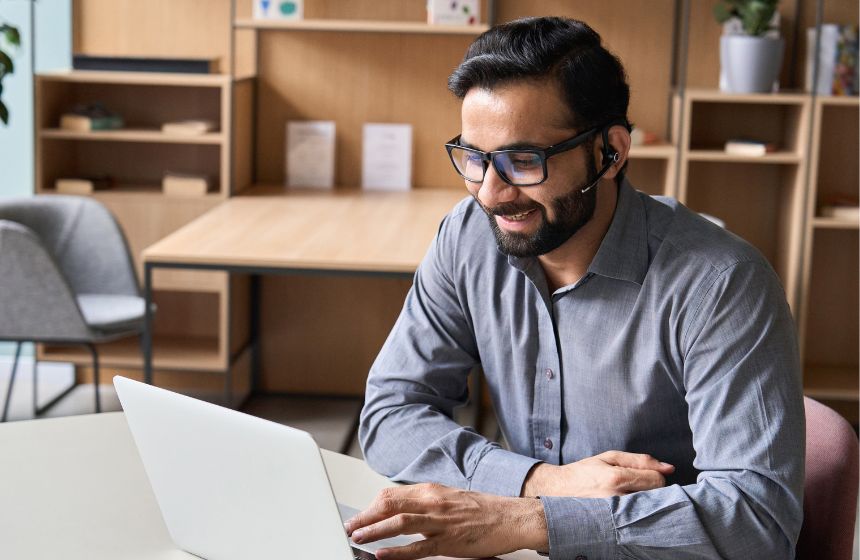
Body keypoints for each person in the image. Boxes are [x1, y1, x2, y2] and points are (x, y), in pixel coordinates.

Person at [346, 16, 804, 560]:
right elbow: (390, 412)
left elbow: (757, 521)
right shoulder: (467, 237)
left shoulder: (721, 284)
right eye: (474, 158)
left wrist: (534, 520)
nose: (491, 193)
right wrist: (540, 483)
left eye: (523, 160)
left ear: (610, 152)